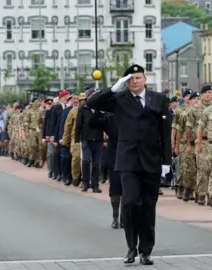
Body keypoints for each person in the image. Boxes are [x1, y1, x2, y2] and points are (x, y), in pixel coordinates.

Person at [86, 64, 171, 265]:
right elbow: (92, 102)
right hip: (128, 160)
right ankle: (131, 247)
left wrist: (166, 162)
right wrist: (115, 87)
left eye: (138, 78)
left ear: (145, 79)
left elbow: (165, 133)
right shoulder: (119, 100)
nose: (134, 81)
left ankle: (146, 251)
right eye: (130, 79)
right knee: (131, 202)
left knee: (149, 207)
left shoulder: (159, 99)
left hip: (151, 159)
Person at [88, 110, 123, 229]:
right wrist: (99, 107)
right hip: (114, 157)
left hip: (131, 158)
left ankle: (125, 218)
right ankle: (115, 216)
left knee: (129, 190)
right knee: (115, 189)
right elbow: (92, 122)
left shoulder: (133, 114)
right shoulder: (109, 118)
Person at [186, 86, 212, 205]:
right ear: (202, 95)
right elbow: (189, 127)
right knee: (202, 168)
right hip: (201, 141)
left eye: (211, 92)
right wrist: (188, 143)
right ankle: (201, 193)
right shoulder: (194, 109)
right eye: (206, 92)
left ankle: (211, 194)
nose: (209, 94)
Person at [76, 90, 104, 193]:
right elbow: (78, 123)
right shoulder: (83, 107)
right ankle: (85, 183)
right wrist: (76, 139)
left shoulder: (100, 107)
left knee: (97, 163)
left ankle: (95, 185)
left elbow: (105, 121)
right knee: (86, 160)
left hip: (98, 138)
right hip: (86, 138)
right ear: (88, 97)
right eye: (91, 95)